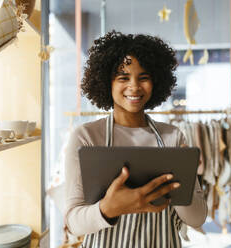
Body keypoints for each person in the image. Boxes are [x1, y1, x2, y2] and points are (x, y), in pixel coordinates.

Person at [64, 30, 207, 248]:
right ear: (106, 82)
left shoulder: (172, 137)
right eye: (123, 77)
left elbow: (197, 218)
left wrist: (182, 183)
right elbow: (73, 221)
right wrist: (108, 208)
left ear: (156, 81)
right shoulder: (86, 137)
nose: (134, 86)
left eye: (144, 77)